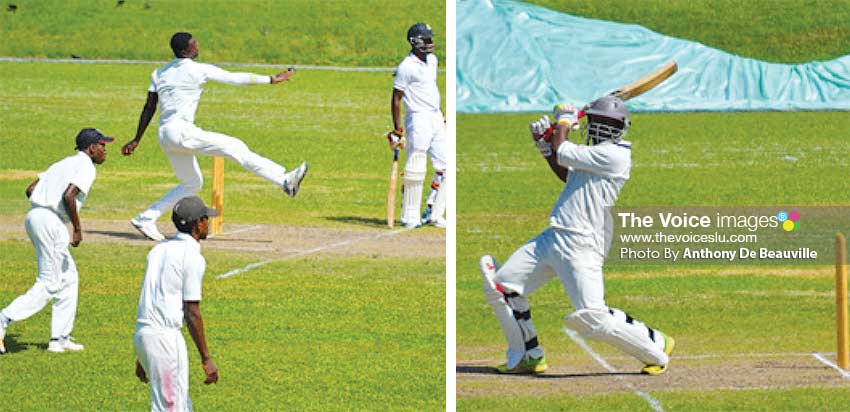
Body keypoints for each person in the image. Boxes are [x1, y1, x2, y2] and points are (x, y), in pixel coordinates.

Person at [480, 97, 675, 375]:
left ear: (613, 128)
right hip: (554, 236)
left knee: (592, 318)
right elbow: (566, 172)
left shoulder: (616, 155)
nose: (594, 127)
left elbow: (563, 149)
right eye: (593, 121)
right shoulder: (593, 153)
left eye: (600, 123)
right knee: (502, 286)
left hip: (582, 244)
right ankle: (527, 354)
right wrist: (545, 146)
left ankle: (655, 346)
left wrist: (563, 123)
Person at [122, 31, 309, 241]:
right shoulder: (197, 70)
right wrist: (271, 79)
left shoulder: (159, 73)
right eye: (194, 45)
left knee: (191, 183)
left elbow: (149, 107)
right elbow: (235, 79)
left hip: (165, 135)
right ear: (185, 50)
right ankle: (284, 180)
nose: (197, 46)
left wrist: (136, 139)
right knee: (235, 146)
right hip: (182, 132)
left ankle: (146, 218)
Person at [0, 128, 113, 354]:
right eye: (102, 146)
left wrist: (43, 205)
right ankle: (3, 319)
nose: (105, 151)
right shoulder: (86, 167)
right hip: (51, 223)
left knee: (69, 278)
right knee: (49, 282)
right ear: (91, 148)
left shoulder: (62, 163)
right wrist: (77, 229)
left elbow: (31, 189)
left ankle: (59, 339)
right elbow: (69, 195)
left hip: (36, 217)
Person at [134, 196, 220, 411]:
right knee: (171, 407)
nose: (207, 223)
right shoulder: (192, 257)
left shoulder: (158, 250)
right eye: (205, 219)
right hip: (165, 341)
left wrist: (144, 355)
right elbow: (191, 311)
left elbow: (152, 298)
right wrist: (206, 358)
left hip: (144, 335)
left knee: (180, 405)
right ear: (197, 223)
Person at [388, 23, 446, 228]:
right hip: (418, 117)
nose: (431, 43)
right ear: (415, 42)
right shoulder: (407, 66)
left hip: (435, 116)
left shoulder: (432, 60)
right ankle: (409, 216)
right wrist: (397, 129)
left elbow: (430, 89)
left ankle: (434, 213)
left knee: (446, 166)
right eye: (426, 40)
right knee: (416, 163)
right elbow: (396, 99)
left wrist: (441, 114)